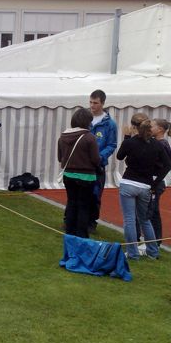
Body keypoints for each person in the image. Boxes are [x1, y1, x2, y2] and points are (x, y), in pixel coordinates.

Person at [116, 116, 171, 260]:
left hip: (129, 182)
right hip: (146, 185)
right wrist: (155, 183)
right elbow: (167, 165)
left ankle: (133, 253)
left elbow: (120, 156)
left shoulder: (130, 142)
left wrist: (127, 138)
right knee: (145, 220)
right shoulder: (157, 145)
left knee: (129, 220)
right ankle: (153, 251)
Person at [57, 108, 101, 238]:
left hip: (68, 175)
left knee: (71, 203)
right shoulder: (89, 138)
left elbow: (60, 158)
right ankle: (81, 235)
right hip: (86, 177)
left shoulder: (63, 136)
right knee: (84, 206)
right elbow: (95, 159)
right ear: (87, 122)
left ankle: (69, 232)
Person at [88, 90, 117, 232]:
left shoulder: (110, 124)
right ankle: (72, 220)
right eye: (90, 102)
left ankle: (91, 223)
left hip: (97, 166)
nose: (92, 105)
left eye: (95, 103)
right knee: (78, 194)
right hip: (82, 164)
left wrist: (99, 157)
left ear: (103, 103)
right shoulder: (85, 119)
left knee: (95, 195)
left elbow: (112, 145)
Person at [149, 118, 171, 246]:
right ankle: (154, 239)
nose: (149, 128)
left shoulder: (163, 144)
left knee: (153, 212)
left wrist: (155, 183)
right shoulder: (157, 143)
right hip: (154, 180)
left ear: (160, 129)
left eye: (152, 126)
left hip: (156, 182)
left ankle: (155, 241)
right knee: (151, 211)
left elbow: (167, 165)